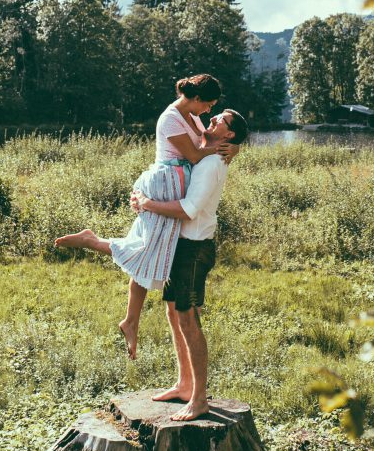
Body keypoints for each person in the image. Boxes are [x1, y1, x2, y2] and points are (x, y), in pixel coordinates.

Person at [54, 74, 235, 359]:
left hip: (175, 184)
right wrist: (227, 148)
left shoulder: (194, 118)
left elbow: (204, 146)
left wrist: (231, 147)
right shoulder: (171, 118)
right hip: (166, 184)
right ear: (197, 98)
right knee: (147, 249)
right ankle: (94, 245)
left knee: (150, 250)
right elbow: (192, 154)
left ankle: (130, 320)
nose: (208, 111)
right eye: (208, 104)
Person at [131, 108, 249, 422]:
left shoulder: (211, 163)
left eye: (220, 120)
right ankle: (184, 384)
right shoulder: (208, 151)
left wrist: (148, 204)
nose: (212, 119)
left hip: (195, 250)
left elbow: (190, 209)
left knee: (189, 319)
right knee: (173, 311)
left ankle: (198, 400)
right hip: (182, 246)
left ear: (230, 135)